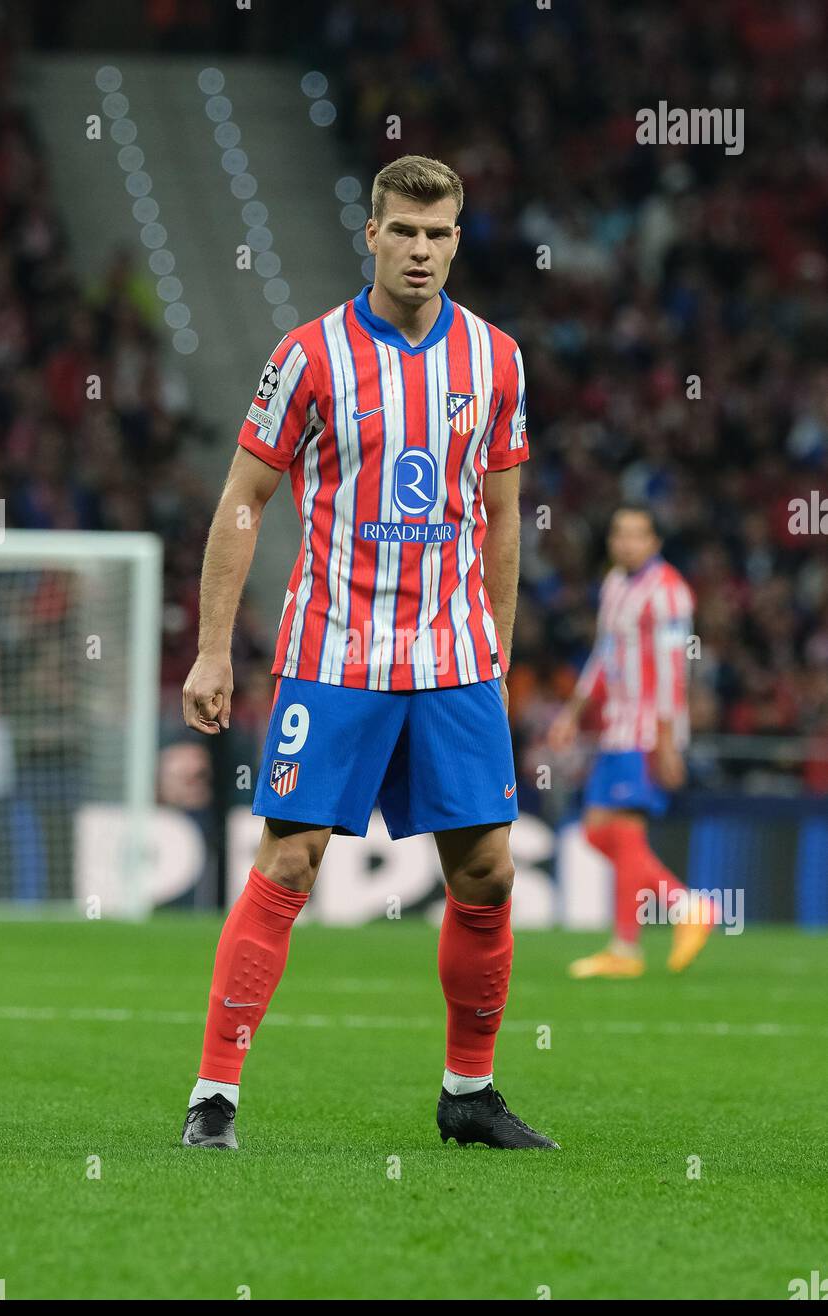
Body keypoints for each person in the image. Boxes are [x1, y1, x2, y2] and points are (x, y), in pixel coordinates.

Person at [180, 155, 558, 1152]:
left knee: (484, 872)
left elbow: (503, 521)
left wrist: (494, 661)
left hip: (453, 660)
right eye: (403, 231)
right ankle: (213, 1097)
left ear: (457, 239)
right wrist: (213, 650)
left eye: (437, 234)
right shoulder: (306, 357)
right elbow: (242, 502)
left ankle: (467, 1093)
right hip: (333, 653)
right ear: (372, 234)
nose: (420, 250)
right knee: (291, 861)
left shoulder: (498, 360)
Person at [548, 506, 713, 978]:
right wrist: (573, 713)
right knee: (600, 831)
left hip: (646, 730)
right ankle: (682, 908)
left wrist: (665, 741)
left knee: (620, 832)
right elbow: (604, 655)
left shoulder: (669, 593)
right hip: (616, 727)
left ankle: (628, 946)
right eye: (619, 533)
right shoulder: (615, 584)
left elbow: (671, 669)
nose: (626, 543)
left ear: (655, 543)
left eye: (637, 535)